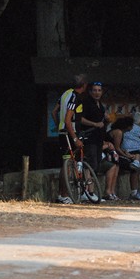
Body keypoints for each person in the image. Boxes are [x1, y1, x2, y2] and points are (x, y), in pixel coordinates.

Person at [80, 81, 119, 201]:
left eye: (99, 90)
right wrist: (95, 124)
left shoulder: (100, 105)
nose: (97, 93)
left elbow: (105, 118)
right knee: (90, 165)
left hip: (98, 139)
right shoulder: (86, 103)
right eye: (95, 90)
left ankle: (91, 192)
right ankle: (88, 192)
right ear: (90, 92)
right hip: (89, 137)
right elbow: (80, 119)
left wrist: (107, 118)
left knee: (95, 165)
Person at [52, 73, 88, 204]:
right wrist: (74, 138)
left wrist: (58, 125)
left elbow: (54, 112)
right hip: (70, 133)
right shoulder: (75, 97)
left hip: (63, 132)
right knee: (68, 165)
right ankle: (64, 195)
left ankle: (64, 194)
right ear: (84, 85)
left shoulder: (65, 93)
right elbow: (68, 119)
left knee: (67, 162)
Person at [108, 115, 140, 200]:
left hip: (116, 153)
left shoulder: (120, 132)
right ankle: (134, 192)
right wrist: (126, 155)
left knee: (134, 164)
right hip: (111, 154)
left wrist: (126, 153)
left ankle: (134, 191)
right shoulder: (118, 132)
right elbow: (117, 148)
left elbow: (120, 148)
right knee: (133, 167)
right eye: (131, 126)